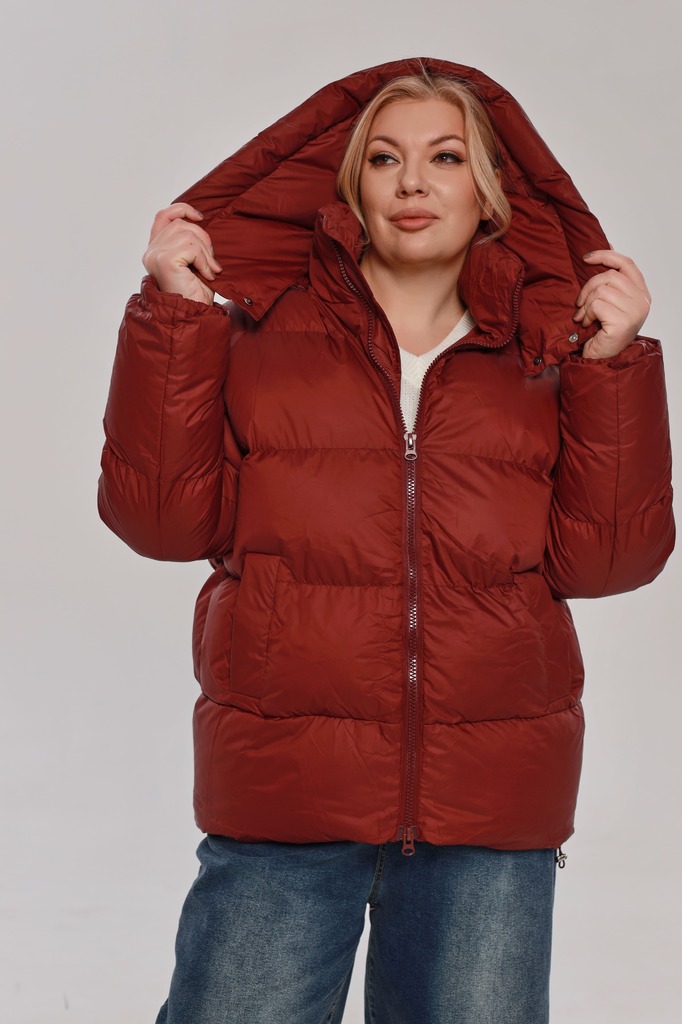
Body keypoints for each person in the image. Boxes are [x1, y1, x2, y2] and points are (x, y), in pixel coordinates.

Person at [98, 58, 674, 1024]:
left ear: (488, 187)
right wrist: (175, 319)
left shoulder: (550, 356)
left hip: (490, 809)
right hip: (284, 795)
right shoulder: (253, 337)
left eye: (446, 157)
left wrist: (614, 368)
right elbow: (158, 523)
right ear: (350, 184)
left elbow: (611, 562)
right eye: (384, 158)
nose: (412, 182)